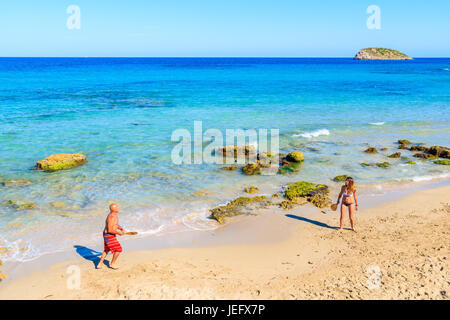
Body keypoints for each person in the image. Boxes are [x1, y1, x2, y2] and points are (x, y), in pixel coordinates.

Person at [97, 203, 124, 269]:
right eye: (117, 207)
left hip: (107, 235)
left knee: (106, 249)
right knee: (118, 249)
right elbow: (110, 230)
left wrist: (120, 228)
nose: (118, 208)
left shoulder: (114, 215)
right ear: (114, 209)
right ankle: (112, 264)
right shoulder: (112, 217)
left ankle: (99, 264)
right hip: (109, 235)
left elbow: (115, 224)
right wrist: (119, 233)